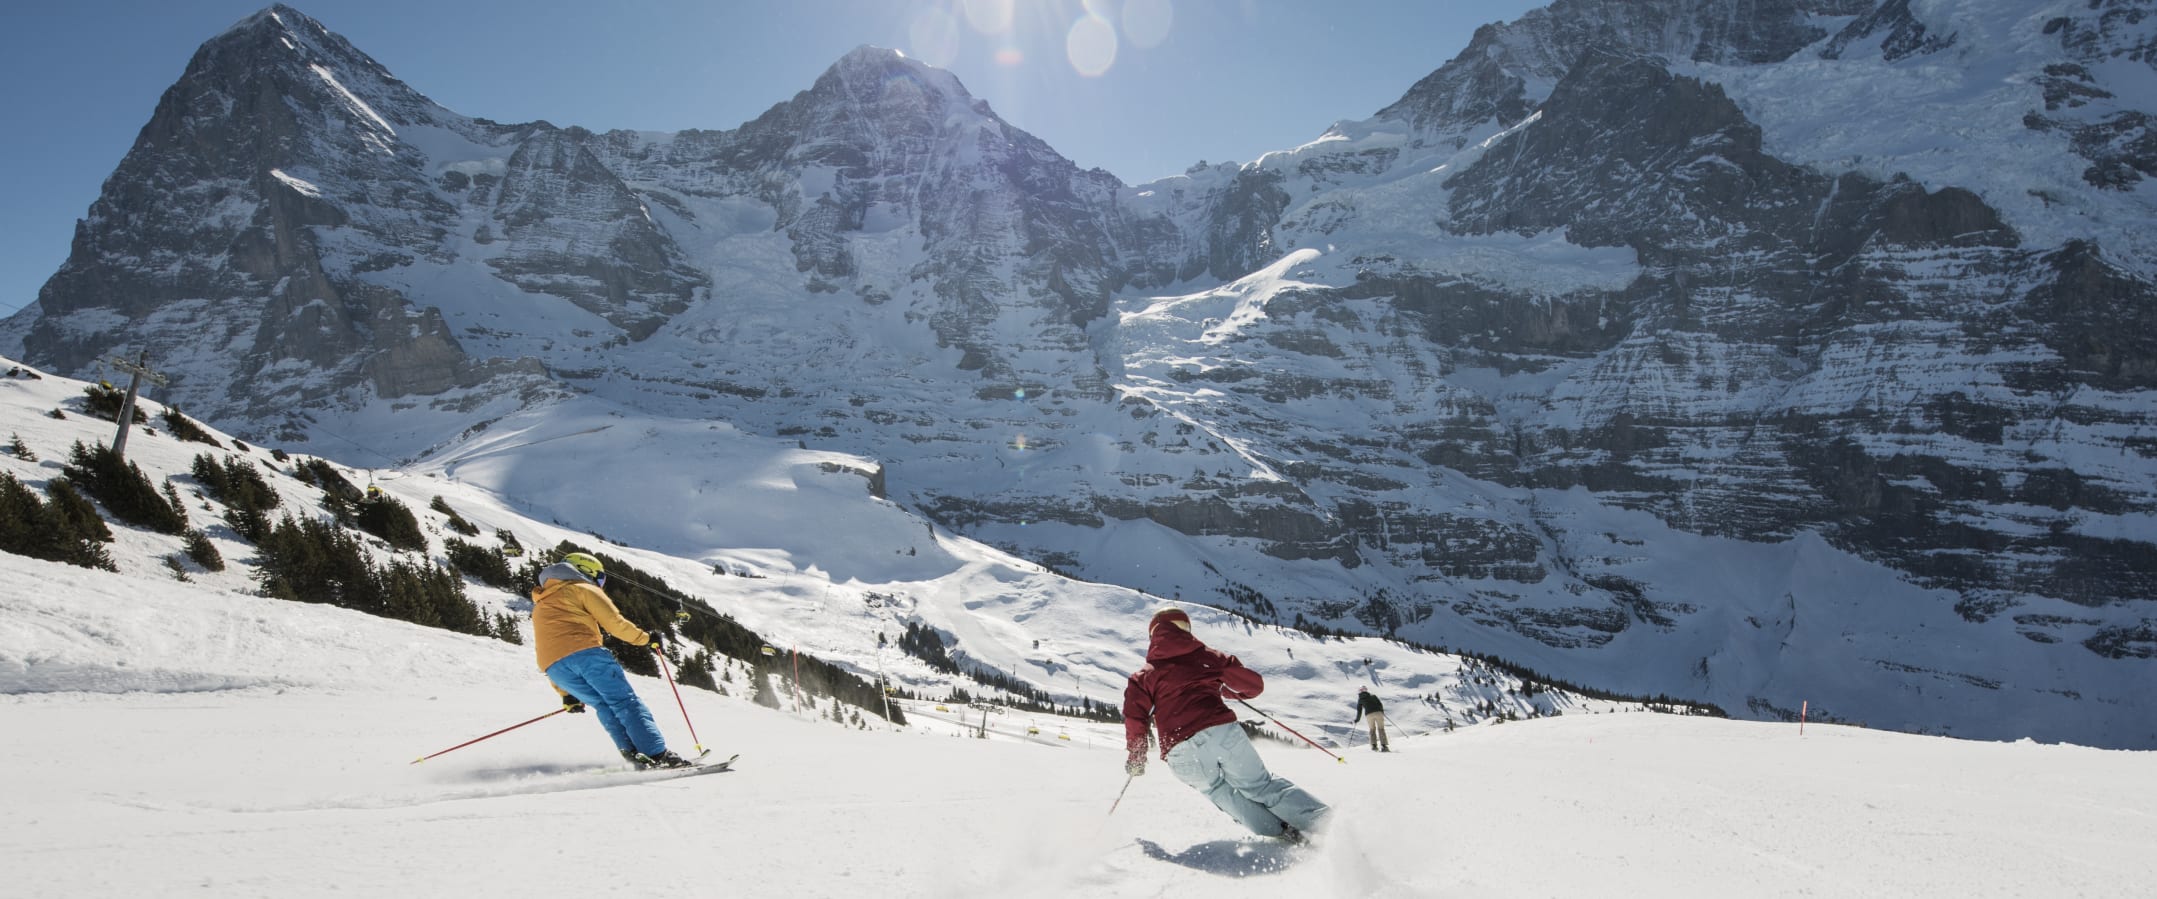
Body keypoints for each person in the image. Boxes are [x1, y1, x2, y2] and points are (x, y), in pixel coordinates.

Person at [1123, 607, 1329, 844]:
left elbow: (1135, 717)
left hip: (1178, 749)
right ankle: (1325, 823)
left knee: (1218, 791)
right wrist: (1222, 686)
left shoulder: (1144, 676)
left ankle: (1279, 831)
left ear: (1154, 636)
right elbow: (1253, 686)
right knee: (1260, 786)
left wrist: (1137, 755)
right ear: (1185, 629)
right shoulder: (1208, 658)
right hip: (1219, 732)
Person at [531, 552, 691, 769]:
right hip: (587, 654)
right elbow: (614, 623)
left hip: (555, 669)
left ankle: (633, 754)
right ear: (586, 571)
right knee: (625, 702)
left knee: (603, 706)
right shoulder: (583, 588)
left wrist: (566, 694)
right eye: (600, 578)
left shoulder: (542, 602)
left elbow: (550, 645)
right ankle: (657, 755)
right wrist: (646, 639)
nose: (600, 584)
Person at [1355, 685, 1391, 752]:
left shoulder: (1360, 700)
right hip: (1378, 713)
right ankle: (1384, 746)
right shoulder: (1373, 696)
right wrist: (1382, 712)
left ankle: (1374, 746)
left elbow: (1359, 710)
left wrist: (1357, 719)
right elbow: (1380, 704)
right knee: (1381, 729)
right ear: (1366, 690)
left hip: (1369, 715)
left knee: (1372, 729)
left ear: (1359, 692)